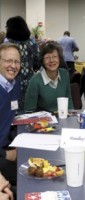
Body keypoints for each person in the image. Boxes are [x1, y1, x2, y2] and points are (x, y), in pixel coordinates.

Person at [24, 42, 74, 113]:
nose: (51, 60)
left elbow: (69, 100)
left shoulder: (64, 74)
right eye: (47, 57)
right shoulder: (35, 81)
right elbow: (29, 111)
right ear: (42, 61)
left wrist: (71, 117)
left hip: (63, 118)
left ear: (59, 59)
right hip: (43, 121)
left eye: (54, 57)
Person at [5, 16, 40, 112]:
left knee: (13, 113)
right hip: (30, 83)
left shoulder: (7, 46)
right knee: (29, 112)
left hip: (12, 84)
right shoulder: (32, 44)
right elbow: (38, 64)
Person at [0, 43, 21, 187]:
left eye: (17, 61)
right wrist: (5, 155)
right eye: (8, 61)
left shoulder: (15, 85)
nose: (13, 65)